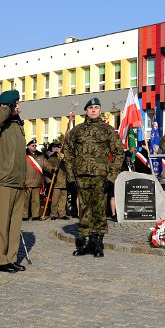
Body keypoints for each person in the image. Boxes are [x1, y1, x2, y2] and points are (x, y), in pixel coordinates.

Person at [65, 97, 122, 257]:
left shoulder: (107, 130)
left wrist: (111, 177)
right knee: (84, 210)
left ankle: (98, 243)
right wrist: (71, 178)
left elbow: (119, 153)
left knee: (98, 210)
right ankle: (85, 242)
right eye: (91, 108)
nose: (94, 110)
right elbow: (68, 154)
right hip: (81, 177)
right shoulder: (77, 131)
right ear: (86, 110)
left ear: (100, 110)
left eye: (97, 107)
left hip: (100, 177)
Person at [0, 89, 27, 272]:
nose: (17, 107)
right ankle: (0, 260)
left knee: (14, 223)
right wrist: (5, 109)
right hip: (3, 179)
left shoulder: (16, 125)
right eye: (15, 104)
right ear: (5, 106)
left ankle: (11, 257)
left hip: (17, 179)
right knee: (1, 223)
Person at [24, 138, 50, 220]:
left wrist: (52, 169)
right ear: (28, 146)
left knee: (36, 200)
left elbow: (46, 165)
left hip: (37, 181)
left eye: (35, 145)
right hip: (26, 182)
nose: (35, 146)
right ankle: (24, 215)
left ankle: (35, 215)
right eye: (33, 145)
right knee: (25, 200)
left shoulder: (40, 156)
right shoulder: (23, 155)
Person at [45, 142, 69, 219]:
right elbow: (48, 168)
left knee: (63, 199)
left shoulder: (66, 158)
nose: (58, 149)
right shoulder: (52, 158)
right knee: (55, 199)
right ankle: (54, 214)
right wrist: (49, 180)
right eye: (57, 148)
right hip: (56, 182)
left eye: (59, 148)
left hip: (65, 181)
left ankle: (62, 213)